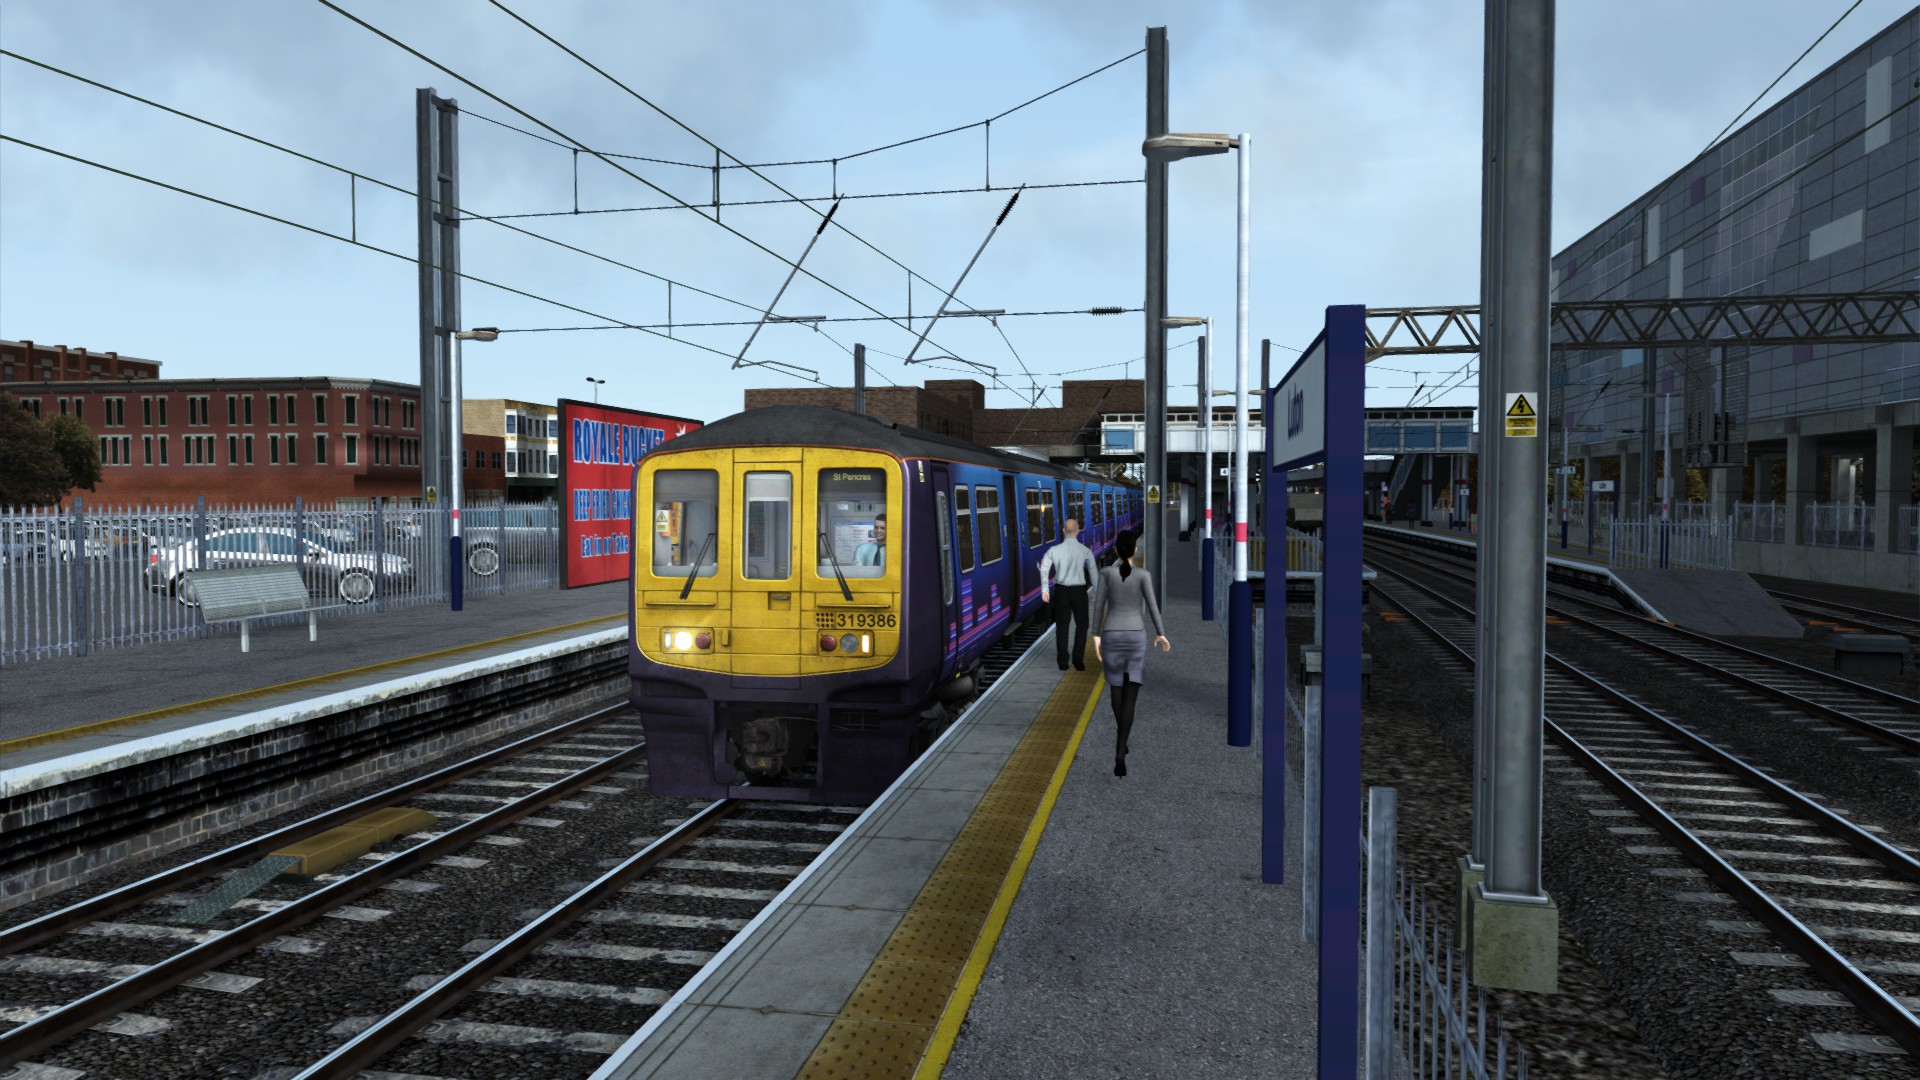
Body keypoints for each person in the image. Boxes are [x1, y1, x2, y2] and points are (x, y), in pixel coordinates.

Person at [1089, 530, 1169, 777]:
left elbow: (1099, 606)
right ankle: (1120, 751)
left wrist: (1095, 635)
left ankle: (1122, 740)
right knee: (1130, 697)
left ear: (1115, 551)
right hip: (1136, 637)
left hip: (1111, 634)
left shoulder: (1106, 573)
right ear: (1135, 550)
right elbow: (1152, 606)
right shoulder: (1143, 575)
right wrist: (1161, 633)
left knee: (1116, 690)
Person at [1038, 517, 1097, 671]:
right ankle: (1078, 660)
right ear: (1078, 531)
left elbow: (1044, 568)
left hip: (1061, 591)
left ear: (1063, 531)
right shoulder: (1085, 550)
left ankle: (1063, 661)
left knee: (1062, 626)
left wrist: (1045, 590)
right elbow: (1093, 572)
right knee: (1082, 625)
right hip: (1079, 592)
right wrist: (1096, 590)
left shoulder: (1053, 550)